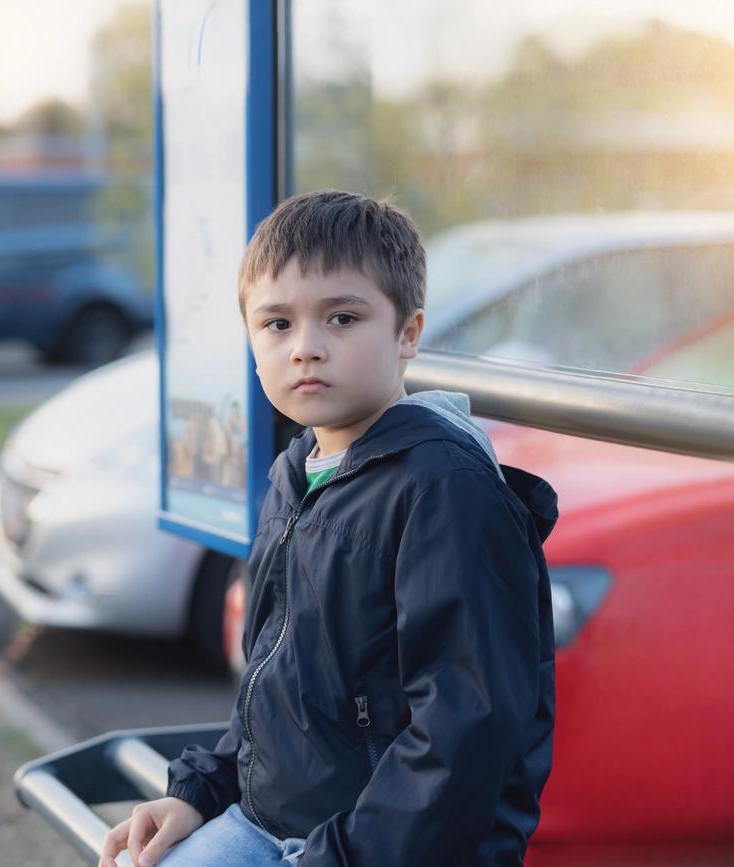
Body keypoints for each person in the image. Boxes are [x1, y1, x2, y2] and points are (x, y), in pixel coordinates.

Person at [99, 191, 558, 867]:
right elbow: (276, 684)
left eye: (342, 317)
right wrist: (203, 791)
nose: (306, 347)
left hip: (386, 849)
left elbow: (465, 727)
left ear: (408, 333)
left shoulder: (445, 487)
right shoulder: (298, 471)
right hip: (269, 821)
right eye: (277, 324)